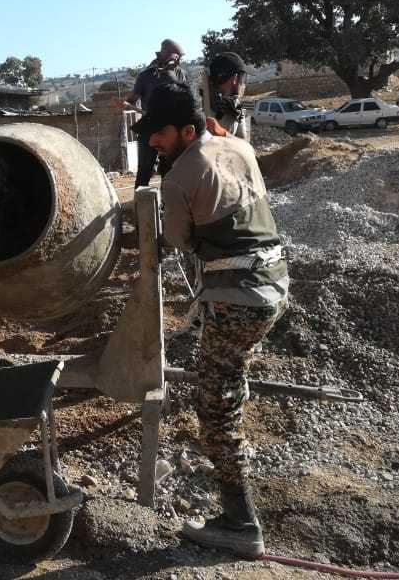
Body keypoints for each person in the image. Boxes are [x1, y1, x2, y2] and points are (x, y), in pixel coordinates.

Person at [132, 79, 288, 559]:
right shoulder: (237, 146)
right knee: (229, 383)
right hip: (274, 285)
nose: (152, 142)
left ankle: (241, 525)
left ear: (183, 129)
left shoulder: (180, 176)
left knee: (215, 407)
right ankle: (236, 509)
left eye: (158, 134)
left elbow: (176, 240)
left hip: (234, 298)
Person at [125, 39, 187, 187]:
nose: (179, 61)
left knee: (170, 171)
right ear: (168, 55)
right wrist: (126, 103)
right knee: (145, 171)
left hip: (171, 130)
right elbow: (132, 100)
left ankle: (168, 206)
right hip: (150, 129)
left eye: (180, 58)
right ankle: (141, 207)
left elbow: (185, 98)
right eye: (177, 57)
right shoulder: (146, 76)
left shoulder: (180, 74)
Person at [207, 52, 252, 140]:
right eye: (243, 79)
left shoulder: (235, 105)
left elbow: (243, 141)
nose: (244, 84)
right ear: (235, 79)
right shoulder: (213, 110)